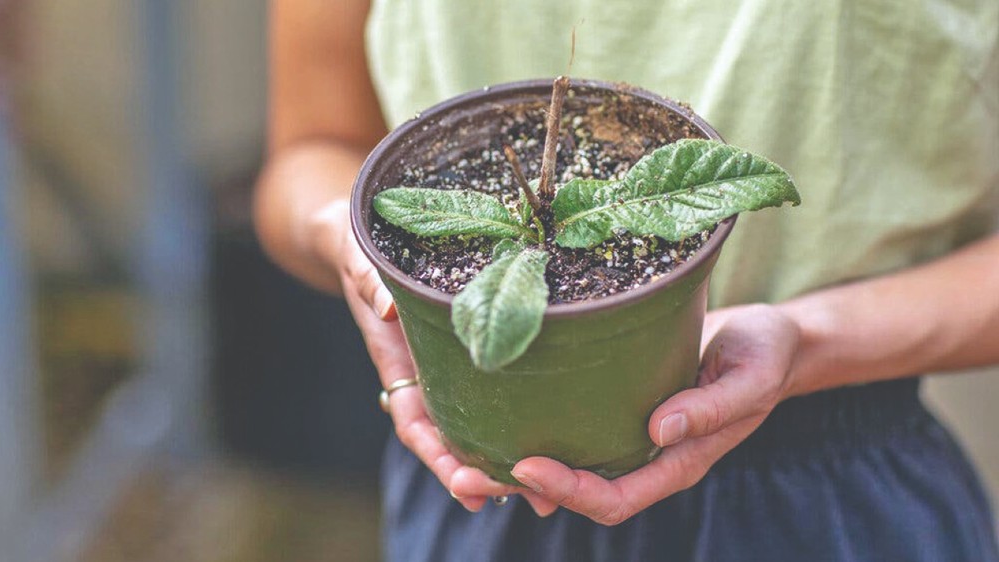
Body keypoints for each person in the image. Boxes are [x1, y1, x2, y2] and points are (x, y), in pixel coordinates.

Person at [254, 1, 999, 559]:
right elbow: (312, 151)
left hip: (835, 499)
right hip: (483, 490)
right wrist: (346, 238)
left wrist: (808, 340)